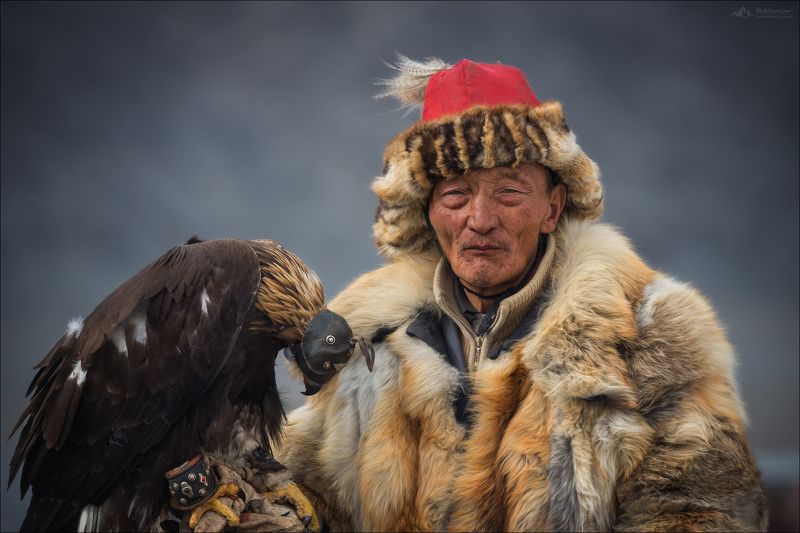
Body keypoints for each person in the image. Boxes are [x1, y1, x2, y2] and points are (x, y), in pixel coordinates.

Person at [276, 56, 768, 531]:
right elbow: (310, 500)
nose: (481, 219)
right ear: (427, 212)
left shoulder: (654, 334)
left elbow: (704, 512)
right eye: (455, 195)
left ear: (554, 208)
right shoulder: (368, 350)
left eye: (509, 191)